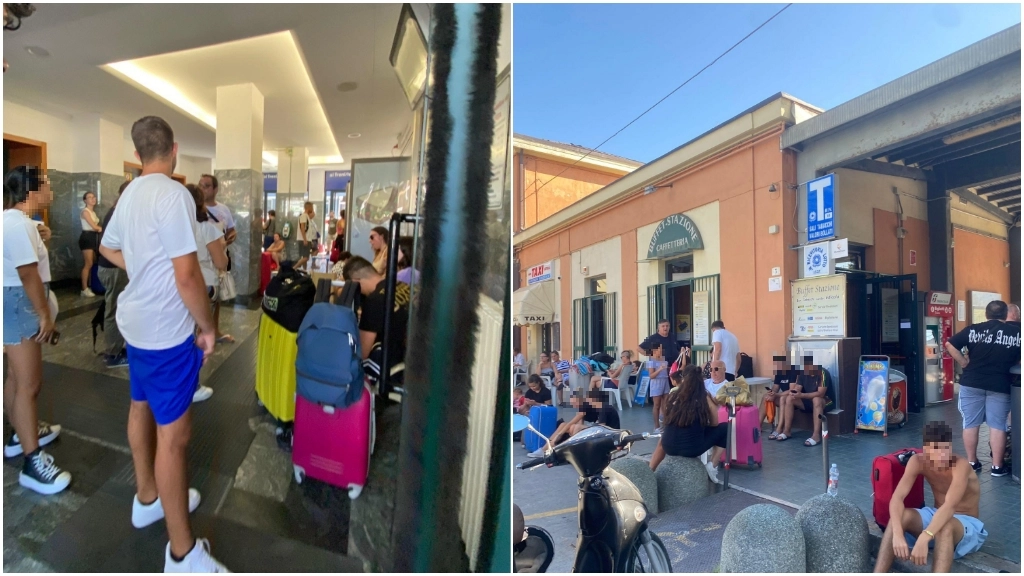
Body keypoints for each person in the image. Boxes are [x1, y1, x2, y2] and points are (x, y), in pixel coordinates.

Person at [99, 116, 227, 572]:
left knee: (140, 406)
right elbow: (189, 275)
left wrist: (142, 266)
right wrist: (208, 326)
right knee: (175, 439)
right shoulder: (173, 194)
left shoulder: (130, 192)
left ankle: (148, 497)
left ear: (137, 154)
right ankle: (182, 553)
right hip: (165, 333)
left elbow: (107, 246)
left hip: (136, 323)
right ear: (172, 150)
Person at [3, 164, 71, 495]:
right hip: (21, 304)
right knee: (29, 384)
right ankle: (33, 462)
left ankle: (20, 433)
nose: (51, 189)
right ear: (32, 189)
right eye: (46, 183)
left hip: (18, 302)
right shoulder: (16, 225)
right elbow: (29, 275)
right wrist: (44, 315)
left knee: (15, 379)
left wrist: (40, 236)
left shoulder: (19, 223)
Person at [873, 421, 986, 573]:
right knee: (900, 516)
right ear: (926, 450)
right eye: (936, 449)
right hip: (936, 514)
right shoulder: (918, 461)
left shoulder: (960, 465)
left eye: (946, 449)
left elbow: (949, 507)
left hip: (967, 523)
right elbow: (897, 498)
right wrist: (898, 535)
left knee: (944, 526)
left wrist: (925, 536)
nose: (942, 455)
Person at [944, 300, 1020, 477]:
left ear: (986, 314)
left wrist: (963, 362)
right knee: (998, 425)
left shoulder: (973, 329)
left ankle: (972, 462)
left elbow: (949, 344)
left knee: (970, 423)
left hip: (971, 383)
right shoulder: (1017, 332)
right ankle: (997, 467)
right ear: (1005, 315)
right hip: (999, 384)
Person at [341, 256, 410, 388]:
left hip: (395, 370)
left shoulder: (375, 301)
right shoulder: (402, 285)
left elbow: (362, 352)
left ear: (356, 282)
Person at [185, 184, 227, 405]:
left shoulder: (176, 226)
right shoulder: (207, 228)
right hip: (204, 284)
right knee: (199, 336)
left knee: (184, 334)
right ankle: (193, 386)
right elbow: (221, 262)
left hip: (180, 285)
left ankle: (181, 381)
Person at [649, 366, 726, 483]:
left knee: (667, 435)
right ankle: (713, 465)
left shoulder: (673, 395)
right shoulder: (704, 397)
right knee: (725, 428)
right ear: (701, 382)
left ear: (683, 380)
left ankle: (650, 471)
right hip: (691, 449)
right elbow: (715, 423)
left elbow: (666, 418)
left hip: (668, 446)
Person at [528, 384, 621, 457]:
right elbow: (580, 422)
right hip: (600, 429)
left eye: (575, 403)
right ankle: (547, 447)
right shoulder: (588, 406)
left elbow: (602, 428)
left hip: (609, 434)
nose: (574, 405)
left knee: (572, 426)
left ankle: (559, 449)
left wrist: (560, 435)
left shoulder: (601, 408)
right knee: (565, 425)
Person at [198, 174, 236, 345]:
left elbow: (231, 230)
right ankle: (200, 335)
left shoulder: (223, 210)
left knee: (216, 298)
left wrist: (230, 238)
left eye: (206, 185)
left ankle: (215, 330)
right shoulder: (195, 210)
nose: (203, 189)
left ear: (215, 189)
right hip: (201, 262)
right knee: (201, 299)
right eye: (200, 185)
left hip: (219, 258)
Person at [97, 181, 131, 368]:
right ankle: (112, 354)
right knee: (114, 310)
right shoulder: (119, 212)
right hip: (113, 267)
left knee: (117, 307)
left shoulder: (117, 210)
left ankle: (117, 346)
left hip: (112, 267)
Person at [773, 356, 828, 445]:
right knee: (790, 398)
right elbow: (798, 387)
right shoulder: (802, 373)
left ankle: (816, 435)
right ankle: (787, 431)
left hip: (825, 401)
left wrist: (802, 395)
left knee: (817, 400)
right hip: (807, 400)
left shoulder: (823, 373)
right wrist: (794, 392)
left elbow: (820, 393)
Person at [761, 356, 796, 439]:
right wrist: (771, 393)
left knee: (783, 399)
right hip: (782, 396)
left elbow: (792, 390)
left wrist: (777, 395)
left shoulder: (794, 371)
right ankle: (758, 426)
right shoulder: (779, 371)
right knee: (766, 397)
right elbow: (775, 388)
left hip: (793, 398)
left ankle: (779, 428)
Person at [79, 191, 103, 297]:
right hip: (87, 237)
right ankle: (84, 289)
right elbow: (94, 226)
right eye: (90, 197)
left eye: (94, 197)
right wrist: (103, 229)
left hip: (93, 238)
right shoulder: (85, 212)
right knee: (88, 264)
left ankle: (89, 285)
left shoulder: (93, 212)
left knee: (92, 263)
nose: (93, 199)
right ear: (85, 200)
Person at [647, 343, 670, 432]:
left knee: (666, 404)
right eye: (658, 349)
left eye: (661, 349)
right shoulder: (651, 361)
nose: (660, 351)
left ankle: (665, 424)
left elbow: (666, 372)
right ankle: (656, 426)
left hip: (665, 381)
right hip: (656, 383)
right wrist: (660, 369)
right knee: (657, 405)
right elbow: (651, 376)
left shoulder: (664, 359)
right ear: (653, 350)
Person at [297, 201, 320, 271]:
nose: (312, 209)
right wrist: (305, 239)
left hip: (307, 239)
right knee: (306, 257)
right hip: (304, 239)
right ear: (309, 207)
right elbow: (302, 228)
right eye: (312, 207)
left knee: (305, 256)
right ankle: (294, 267)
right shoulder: (303, 216)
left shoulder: (307, 217)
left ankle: (304, 270)